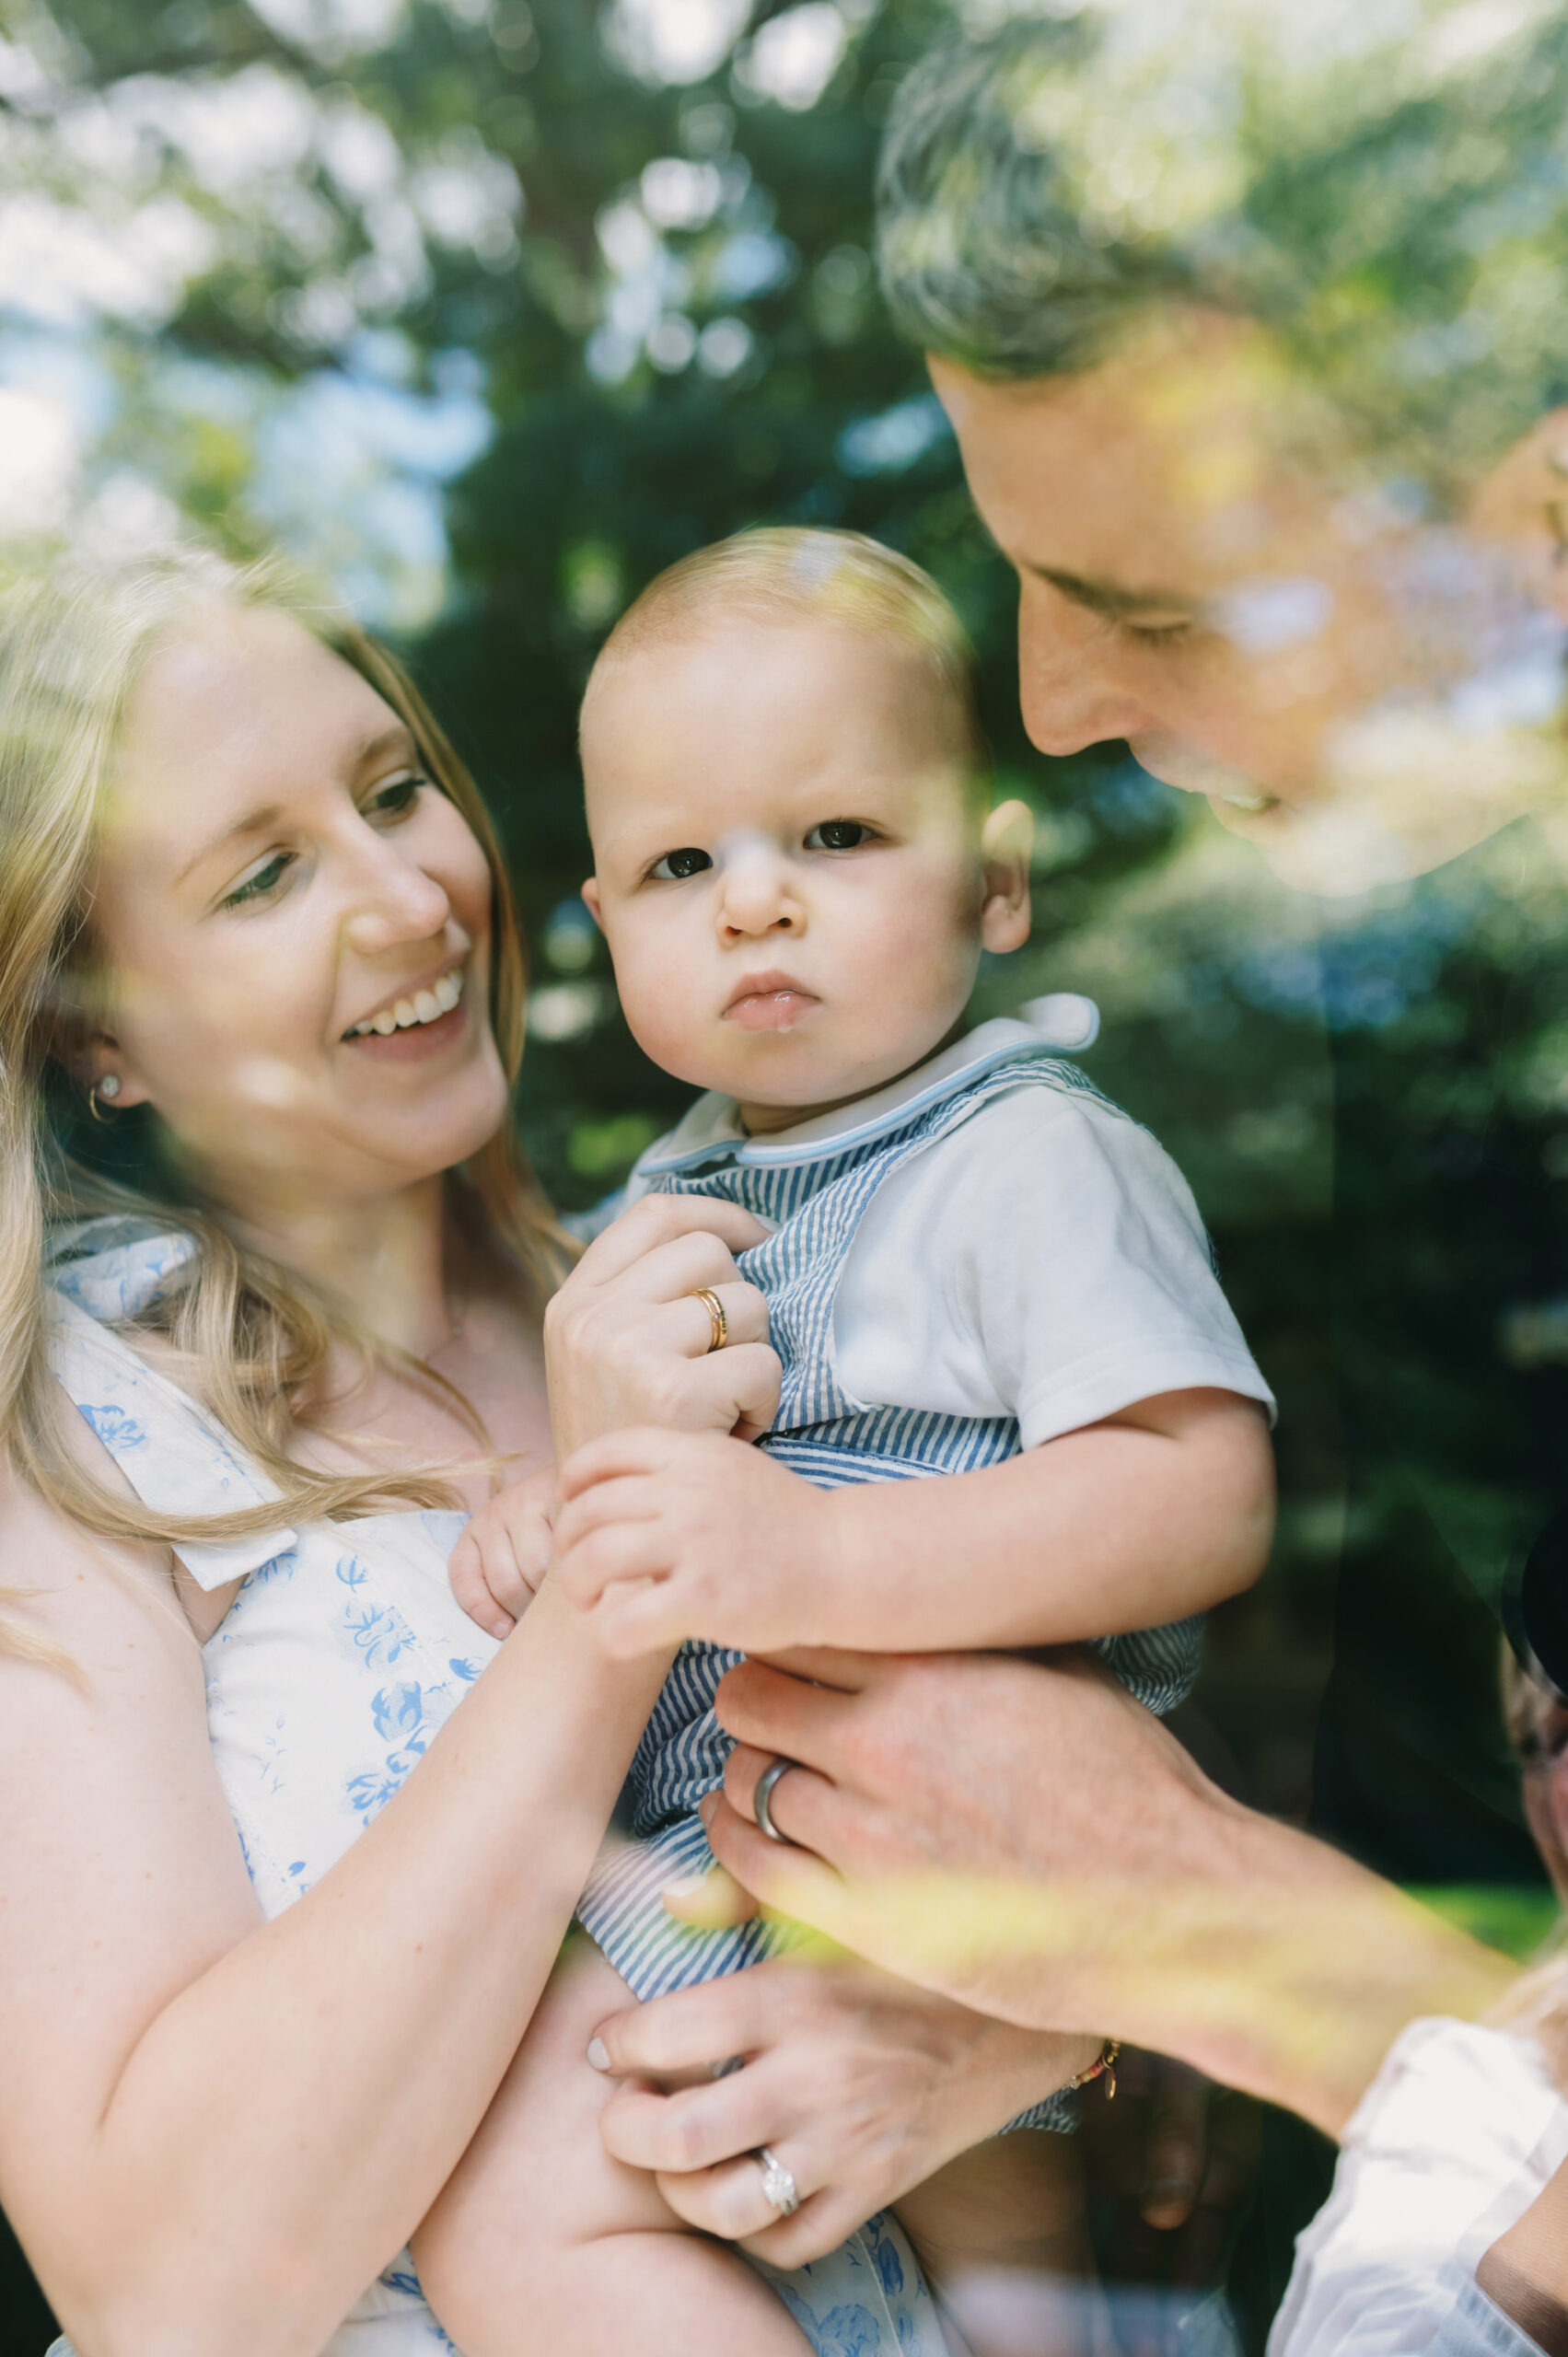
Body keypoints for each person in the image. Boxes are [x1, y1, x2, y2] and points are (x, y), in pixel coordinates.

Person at [541, 9, 1568, 2351]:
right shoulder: (1427, 983)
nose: (1057, 703)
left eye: (1174, 604)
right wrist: (1073, 2002)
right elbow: (1415, 1798)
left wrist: (1205, 1931)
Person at [0, 540, 1104, 2357]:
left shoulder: (720, 1285)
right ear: (99, 1030)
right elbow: (165, 2289)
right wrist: (611, 1589)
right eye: (267, 870)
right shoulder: (77, 1441)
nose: (414, 896)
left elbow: (1087, 1792)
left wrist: (1037, 2034)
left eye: (395, 790)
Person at [429, 521, 1275, 2352]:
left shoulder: (1025, 1152)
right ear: (607, 926)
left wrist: (815, 1561)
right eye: (681, 863)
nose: (754, 901)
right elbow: (663, 1464)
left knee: (1019, 2270)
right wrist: (557, 1502)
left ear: (996, 883)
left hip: (959, 1849)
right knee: (518, 2214)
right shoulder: (668, 1193)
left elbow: (1202, 1488)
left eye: (833, 836)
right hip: (722, 1830)